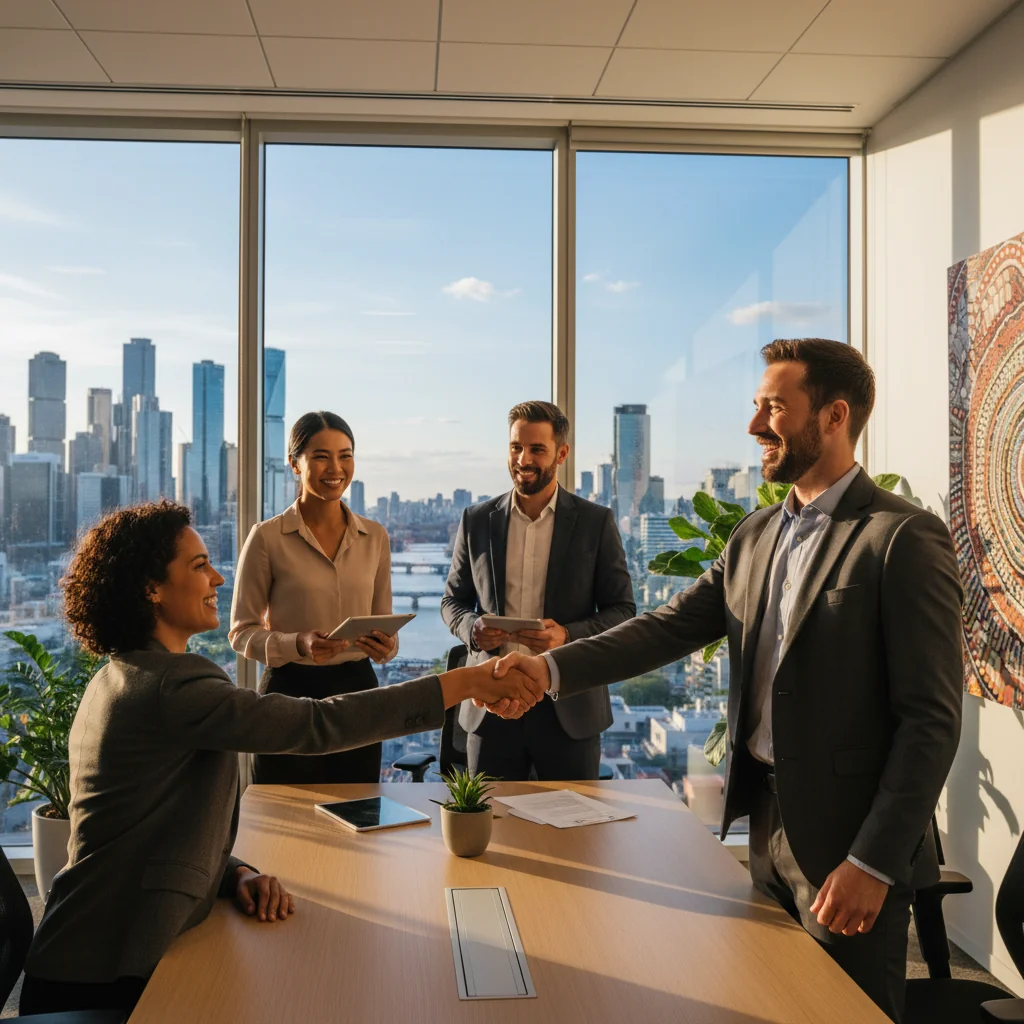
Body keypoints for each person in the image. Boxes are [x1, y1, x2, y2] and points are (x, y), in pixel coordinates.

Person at [490, 340, 963, 1022]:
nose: (753, 426)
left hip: (849, 845)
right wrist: (549, 667)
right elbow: (663, 629)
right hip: (766, 825)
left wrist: (875, 862)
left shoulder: (901, 537)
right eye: (754, 406)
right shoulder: (754, 534)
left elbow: (932, 720)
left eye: (773, 407)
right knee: (772, 1002)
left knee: (846, 1012)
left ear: (833, 416)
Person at [21, 501, 540, 1016]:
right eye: (200, 566)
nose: (218, 579)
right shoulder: (172, 686)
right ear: (151, 589)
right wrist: (464, 682)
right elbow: (316, 725)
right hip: (103, 976)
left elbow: (149, 835)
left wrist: (237, 874)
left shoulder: (121, 675)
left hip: (81, 953)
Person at [442, 400, 635, 781]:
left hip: (569, 706)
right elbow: (453, 601)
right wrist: (473, 629)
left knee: (574, 832)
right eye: (516, 447)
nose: (523, 459)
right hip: (491, 702)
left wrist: (566, 635)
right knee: (492, 831)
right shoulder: (477, 520)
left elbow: (623, 611)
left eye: (536, 449)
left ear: (561, 453)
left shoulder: (596, 523)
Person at [230, 411, 398, 784]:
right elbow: (241, 633)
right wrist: (299, 643)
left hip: (359, 693)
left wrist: (386, 645)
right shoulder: (267, 538)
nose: (335, 467)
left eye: (345, 455)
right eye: (321, 456)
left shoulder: (376, 537)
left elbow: (385, 630)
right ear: (295, 464)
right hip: (288, 694)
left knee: (358, 814)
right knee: (283, 819)